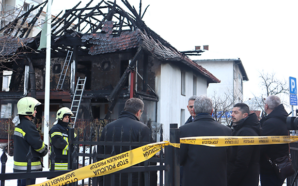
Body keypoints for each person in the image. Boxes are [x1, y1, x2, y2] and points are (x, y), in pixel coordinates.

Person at [99, 98, 156, 186]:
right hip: (134, 181)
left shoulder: (108, 128)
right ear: (138, 112)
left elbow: (100, 157)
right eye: (141, 113)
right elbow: (149, 161)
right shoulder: (143, 129)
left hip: (110, 180)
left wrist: (102, 181)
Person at [180, 96, 232, 186]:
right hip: (218, 180)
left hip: (193, 180)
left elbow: (180, 159)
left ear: (194, 111)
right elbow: (230, 157)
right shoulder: (226, 131)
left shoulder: (184, 130)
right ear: (212, 111)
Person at [13, 97, 48, 186]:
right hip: (28, 168)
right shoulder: (28, 125)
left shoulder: (19, 124)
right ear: (28, 109)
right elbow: (38, 145)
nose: (36, 111)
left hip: (20, 167)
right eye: (34, 109)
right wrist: (45, 149)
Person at [227, 103, 261, 186]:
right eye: (232, 112)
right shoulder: (241, 129)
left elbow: (242, 162)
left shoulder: (246, 132)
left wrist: (231, 181)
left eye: (236, 112)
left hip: (244, 180)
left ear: (245, 115)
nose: (232, 115)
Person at [260, 95, 289, 186]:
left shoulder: (270, 123)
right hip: (281, 163)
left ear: (266, 106)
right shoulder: (283, 119)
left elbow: (262, 144)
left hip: (270, 168)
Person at [180, 95, 197, 186]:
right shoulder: (186, 125)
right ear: (187, 107)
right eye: (191, 107)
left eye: (195, 106)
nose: (193, 109)